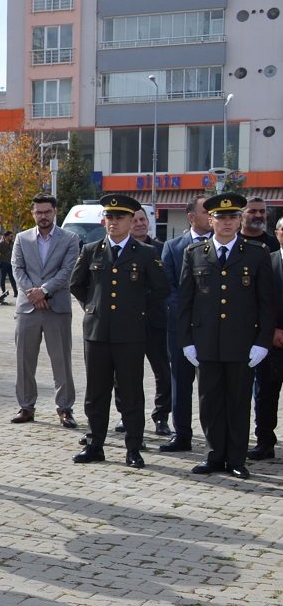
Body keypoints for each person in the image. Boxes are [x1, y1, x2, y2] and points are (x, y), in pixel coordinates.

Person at [179, 192, 276, 479]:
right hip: (206, 343)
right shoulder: (194, 253)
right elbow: (185, 302)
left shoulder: (257, 253)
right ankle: (213, 456)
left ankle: (236, 458)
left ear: (239, 220)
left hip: (242, 344)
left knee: (238, 401)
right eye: (221, 218)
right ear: (210, 220)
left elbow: (265, 304)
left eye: (233, 217)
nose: (227, 222)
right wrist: (186, 341)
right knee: (209, 402)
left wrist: (262, 342)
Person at [69, 194, 170, 469]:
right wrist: (92, 306)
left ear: (130, 221)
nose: (113, 223)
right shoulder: (91, 250)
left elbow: (162, 289)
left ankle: (133, 448)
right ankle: (95, 445)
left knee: (131, 392)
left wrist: (137, 308)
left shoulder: (146, 253)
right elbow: (77, 284)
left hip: (130, 334)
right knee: (96, 393)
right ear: (104, 220)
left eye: (119, 218)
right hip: (97, 332)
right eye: (109, 217)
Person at [10, 193, 80, 429]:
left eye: (47, 212)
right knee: (24, 360)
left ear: (55, 212)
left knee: (61, 361)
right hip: (27, 308)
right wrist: (33, 292)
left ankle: (65, 409)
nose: (43, 216)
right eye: (39, 212)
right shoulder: (22, 238)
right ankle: (26, 407)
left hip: (56, 307)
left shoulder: (70, 238)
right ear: (33, 213)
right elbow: (17, 268)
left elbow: (67, 269)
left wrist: (45, 291)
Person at [159, 197, 212, 452]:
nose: (211, 216)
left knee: (211, 385)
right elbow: (167, 287)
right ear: (191, 217)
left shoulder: (219, 244)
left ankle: (214, 437)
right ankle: (182, 435)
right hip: (180, 328)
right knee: (180, 382)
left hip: (213, 329)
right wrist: (187, 316)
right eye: (206, 212)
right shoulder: (173, 246)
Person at [124, 207, 173, 438]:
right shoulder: (119, 251)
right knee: (125, 373)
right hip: (127, 322)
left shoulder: (162, 249)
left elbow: (166, 285)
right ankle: (127, 415)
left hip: (156, 320)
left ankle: (161, 416)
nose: (140, 224)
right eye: (134, 220)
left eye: (143, 219)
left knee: (162, 371)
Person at [249, 238, 283, 462]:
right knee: (266, 394)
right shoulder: (267, 261)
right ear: (278, 234)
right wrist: (273, 329)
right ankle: (264, 442)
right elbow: (259, 300)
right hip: (273, 341)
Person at [0, 230, 16, 305]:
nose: (12, 237)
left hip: (10, 263)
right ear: (6, 237)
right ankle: (3, 292)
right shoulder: (1, 244)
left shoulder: (12, 243)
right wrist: (1, 258)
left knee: (12, 278)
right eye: (10, 236)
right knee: (3, 278)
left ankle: (16, 292)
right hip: (3, 263)